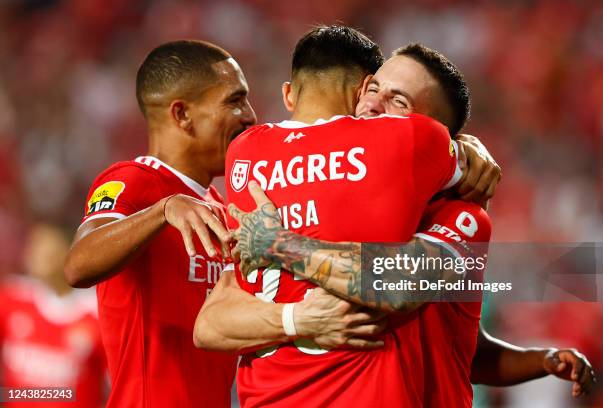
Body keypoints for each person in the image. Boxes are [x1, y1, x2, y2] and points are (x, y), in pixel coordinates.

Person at [198, 32, 595, 406]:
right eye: (372, 89)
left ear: (431, 136)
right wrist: (296, 320)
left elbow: (434, 320)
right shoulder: (309, 194)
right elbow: (211, 323)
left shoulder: (462, 218)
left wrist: (281, 245)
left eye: (398, 102)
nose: (372, 104)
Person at [64, 39, 393, 407]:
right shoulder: (135, 181)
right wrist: (163, 210)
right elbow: (77, 265)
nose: (251, 115)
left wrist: (302, 319)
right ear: (182, 114)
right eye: (234, 101)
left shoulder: (223, 207)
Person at [0, 223, 107, 407]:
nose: (38, 255)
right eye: (35, 247)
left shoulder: (97, 315)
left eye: (48, 248)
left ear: (70, 252)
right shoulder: (11, 299)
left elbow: (116, 383)